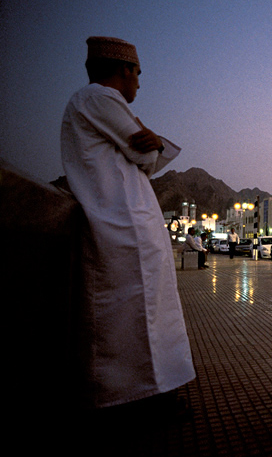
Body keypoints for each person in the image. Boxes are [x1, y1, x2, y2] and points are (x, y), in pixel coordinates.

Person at [60, 36, 195, 412]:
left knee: (139, 313)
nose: (140, 82)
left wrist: (149, 142)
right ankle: (133, 400)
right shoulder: (99, 99)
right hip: (122, 226)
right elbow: (145, 153)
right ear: (125, 69)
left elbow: (147, 152)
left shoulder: (90, 102)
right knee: (131, 317)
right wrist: (147, 139)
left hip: (123, 224)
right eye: (138, 73)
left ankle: (142, 394)